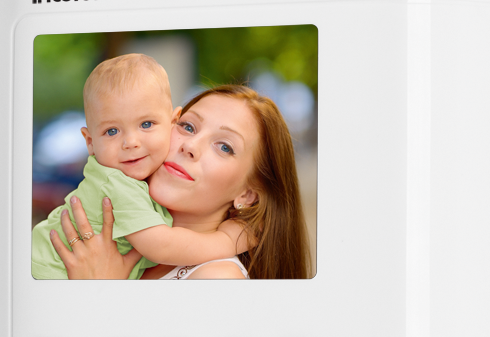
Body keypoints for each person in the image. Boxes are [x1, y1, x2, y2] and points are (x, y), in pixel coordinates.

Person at [51, 85, 310, 280]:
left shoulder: (217, 279)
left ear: (248, 195)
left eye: (224, 147)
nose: (190, 146)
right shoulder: (126, 238)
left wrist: (99, 290)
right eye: (187, 127)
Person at [31, 55, 247, 280]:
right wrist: (228, 240)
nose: (131, 142)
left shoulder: (217, 276)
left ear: (172, 122)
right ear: (90, 142)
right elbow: (162, 245)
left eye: (146, 124)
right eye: (112, 131)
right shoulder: (117, 184)